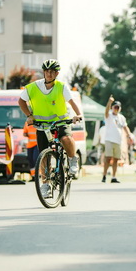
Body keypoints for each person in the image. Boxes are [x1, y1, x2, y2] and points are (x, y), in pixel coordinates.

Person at [18, 59, 82, 199]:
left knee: (66, 138)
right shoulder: (33, 87)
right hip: (42, 125)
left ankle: (72, 159)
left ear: (57, 73)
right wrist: (29, 115)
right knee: (44, 156)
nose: (49, 74)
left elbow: (72, 102)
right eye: (47, 71)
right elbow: (21, 101)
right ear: (43, 72)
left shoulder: (61, 87)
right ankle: (46, 185)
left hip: (60, 122)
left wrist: (78, 114)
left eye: (52, 71)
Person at [102, 96, 133, 183]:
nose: (116, 109)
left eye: (118, 107)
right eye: (115, 107)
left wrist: (129, 135)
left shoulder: (121, 117)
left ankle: (114, 177)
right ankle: (104, 175)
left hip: (118, 140)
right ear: (112, 108)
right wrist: (109, 102)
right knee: (108, 158)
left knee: (116, 159)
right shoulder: (109, 116)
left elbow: (125, 127)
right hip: (109, 139)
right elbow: (106, 111)